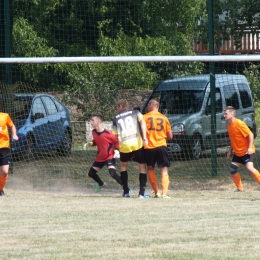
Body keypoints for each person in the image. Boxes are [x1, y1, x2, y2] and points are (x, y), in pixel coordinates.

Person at [112, 99, 149, 198]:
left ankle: (126, 192)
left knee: (123, 166)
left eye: (117, 107)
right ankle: (141, 193)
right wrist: (144, 137)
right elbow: (142, 122)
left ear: (120, 106)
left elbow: (115, 135)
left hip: (124, 145)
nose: (117, 109)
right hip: (137, 143)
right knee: (142, 166)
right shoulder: (136, 113)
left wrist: (117, 147)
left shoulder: (116, 118)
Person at [224, 106, 260, 192]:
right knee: (232, 168)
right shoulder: (229, 125)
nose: (224, 115)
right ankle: (240, 189)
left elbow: (250, 134)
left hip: (246, 151)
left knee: (250, 168)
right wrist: (230, 151)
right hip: (238, 153)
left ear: (232, 114)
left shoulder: (239, 123)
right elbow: (233, 140)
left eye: (226, 113)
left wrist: (249, 148)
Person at [85, 114, 122, 193]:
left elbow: (116, 142)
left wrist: (117, 151)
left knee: (112, 173)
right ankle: (101, 184)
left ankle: (126, 189)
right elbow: (96, 141)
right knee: (91, 173)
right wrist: (90, 144)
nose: (91, 122)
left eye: (92, 120)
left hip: (109, 156)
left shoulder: (108, 133)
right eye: (90, 120)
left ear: (98, 122)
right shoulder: (93, 132)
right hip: (100, 157)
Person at [143, 99, 173, 199]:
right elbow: (170, 135)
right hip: (161, 146)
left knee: (150, 168)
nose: (147, 107)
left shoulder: (145, 117)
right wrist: (163, 139)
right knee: (164, 169)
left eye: (148, 105)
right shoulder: (164, 118)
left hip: (149, 147)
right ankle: (164, 193)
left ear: (151, 105)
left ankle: (157, 192)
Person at [0, 112, 19, 196]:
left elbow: (12, 125)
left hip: (4, 147)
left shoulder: (5, 116)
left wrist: (14, 134)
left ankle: (0, 189)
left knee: (5, 171)